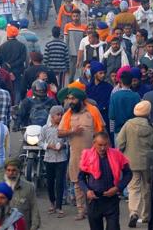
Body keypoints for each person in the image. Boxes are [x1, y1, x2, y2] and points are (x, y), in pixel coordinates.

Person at [57, 85, 105, 220]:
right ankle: (81, 211)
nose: (70, 101)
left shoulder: (92, 111)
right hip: (76, 156)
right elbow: (59, 133)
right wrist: (72, 131)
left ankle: (94, 209)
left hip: (93, 155)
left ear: (80, 99)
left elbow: (102, 131)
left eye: (73, 99)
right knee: (77, 183)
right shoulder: (68, 114)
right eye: (69, 99)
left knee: (95, 182)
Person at [116, 101, 153, 227]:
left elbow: (120, 143)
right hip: (148, 163)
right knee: (147, 189)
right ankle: (146, 215)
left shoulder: (128, 125)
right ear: (148, 112)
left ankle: (134, 212)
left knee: (133, 188)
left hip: (131, 162)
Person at [79, 132, 132, 230]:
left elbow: (128, 173)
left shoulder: (116, 154)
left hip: (111, 199)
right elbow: (81, 178)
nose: (103, 148)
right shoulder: (87, 155)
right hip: (94, 199)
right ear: (94, 143)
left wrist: (118, 188)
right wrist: (87, 191)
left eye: (105, 145)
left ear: (109, 144)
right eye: (100, 145)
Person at [40, 106, 68, 218]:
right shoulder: (45, 128)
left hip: (61, 158)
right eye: (58, 114)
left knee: (60, 183)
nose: (60, 117)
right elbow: (40, 142)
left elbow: (68, 142)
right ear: (51, 116)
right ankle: (52, 202)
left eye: (62, 114)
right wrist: (48, 146)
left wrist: (63, 145)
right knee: (50, 182)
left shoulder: (64, 128)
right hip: (49, 158)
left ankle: (59, 206)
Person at [4, 159, 40, 230]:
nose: (11, 173)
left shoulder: (29, 187)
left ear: (19, 171)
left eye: (14, 170)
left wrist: (34, 226)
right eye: (8, 170)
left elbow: (34, 209)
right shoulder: (1, 188)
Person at [109, 71, 141, 140]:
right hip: (133, 130)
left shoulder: (114, 96)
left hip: (118, 130)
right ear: (131, 82)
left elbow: (111, 116)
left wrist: (112, 131)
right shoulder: (136, 96)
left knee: (119, 150)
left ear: (120, 82)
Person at [0, 25, 27, 103]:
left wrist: (9, 69)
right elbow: (23, 59)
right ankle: (16, 105)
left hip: (6, 71)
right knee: (17, 89)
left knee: (8, 89)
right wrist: (13, 66)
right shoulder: (21, 46)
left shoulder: (3, 46)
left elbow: (2, 60)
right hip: (19, 70)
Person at [86, 61, 113, 127]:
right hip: (91, 117)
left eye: (104, 73)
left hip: (104, 117)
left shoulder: (108, 87)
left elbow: (109, 102)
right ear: (95, 74)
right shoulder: (88, 87)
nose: (103, 75)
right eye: (100, 73)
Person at [64, 9, 87, 82]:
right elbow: (66, 39)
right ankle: (70, 88)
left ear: (79, 16)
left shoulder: (84, 27)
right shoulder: (67, 26)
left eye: (77, 16)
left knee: (82, 73)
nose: (75, 17)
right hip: (71, 52)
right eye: (74, 16)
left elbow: (85, 40)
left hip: (81, 53)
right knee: (71, 73)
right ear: (71, 17)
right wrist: (66, 50)